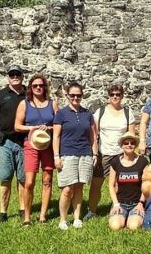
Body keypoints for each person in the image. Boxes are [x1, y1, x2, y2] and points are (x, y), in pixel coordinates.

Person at [84, 84, 136, 221]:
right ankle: (92, 211)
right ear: (109, 96)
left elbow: (131, 134)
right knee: (96, 183)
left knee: (120, 184)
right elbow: (94, 134)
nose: (115, 97)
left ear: (122, 96)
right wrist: (94, 152)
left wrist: (131, 153)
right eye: (112, 94)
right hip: (103, 152)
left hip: (121, 154)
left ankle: (118, 209)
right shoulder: (100, 112)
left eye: (118, 94)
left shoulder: (127, 113)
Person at [14, 74, 59, 226]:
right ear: (31, 88)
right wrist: (31, 128)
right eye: (35, 86)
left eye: (41, 85)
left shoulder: (52, 104)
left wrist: (50, 127)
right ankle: (27, 217)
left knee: (47, 181)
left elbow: (59, 125)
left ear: (45, 87)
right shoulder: (24, 104)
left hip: (47, 145)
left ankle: (43, 216)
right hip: (31, 145)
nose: (38, 88)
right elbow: (17, 126)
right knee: (29, 182)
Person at [52, 82, 98, 230]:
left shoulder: (87, 114)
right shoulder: (61, 114)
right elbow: (56, 137)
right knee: (67, 189)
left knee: (79, 187)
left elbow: (93, 136)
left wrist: (95, 153)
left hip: (85, 154)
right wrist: (56, 156)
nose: (76, 98)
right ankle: (63, 219)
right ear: (67, 96)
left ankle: (77, 218)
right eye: (72, 95)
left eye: (78, 95)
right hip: (67, 154)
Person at [0, 64, 26, 222]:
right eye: (12, 74)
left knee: (23, 178)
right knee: (5, 177)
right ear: (7, 77)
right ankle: (3, 212)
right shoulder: (0, 96)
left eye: (17, 74)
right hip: (5, 141)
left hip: (24, 141)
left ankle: (23, 208)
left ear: (22, 76)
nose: (15, 77)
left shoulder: (28, 95)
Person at [108, 132, 148, 231]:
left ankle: (130, 218)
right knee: (115, 226)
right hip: (120, 202)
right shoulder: (115, 162)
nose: (129, 145)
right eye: (126, 143)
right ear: (122, 145)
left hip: (136, 203)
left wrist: (141, 203)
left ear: (135, 145)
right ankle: (122, 217)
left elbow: (146, 184)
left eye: (132, 143)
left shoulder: (143, 161)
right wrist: (116, 203)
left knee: (134, 226)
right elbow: (111, 185)